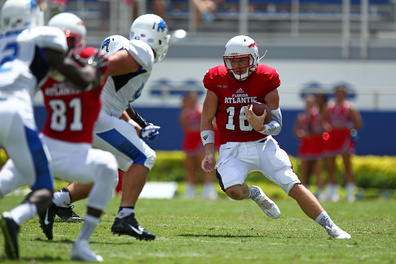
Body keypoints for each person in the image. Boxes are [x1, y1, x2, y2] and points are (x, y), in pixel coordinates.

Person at [200, 35, 351, 239]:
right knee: (234, 192)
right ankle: (254, 193)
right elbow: (206, 118)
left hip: (262, 145)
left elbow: (277, 125)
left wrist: (260, 126)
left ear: (253, 58)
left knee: (293, 185)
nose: (236, 66)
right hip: (232, 148)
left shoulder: (266, 78)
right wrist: (209, 152)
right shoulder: (216, 78)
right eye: (232, 61)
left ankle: (331, 227)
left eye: (241, 60)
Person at [46, 14, 170, 241]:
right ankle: (125, 217)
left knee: (110, 171)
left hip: (98, 116)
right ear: (160, 37)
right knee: (144, 157)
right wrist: (87, 69)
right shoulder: (141, 49)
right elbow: (101, 70)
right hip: (98, 118)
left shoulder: (133, 55)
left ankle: (55, 202)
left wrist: (137, 125)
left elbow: (114, 99)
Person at [0, 0, 102, 260]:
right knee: (44, 188)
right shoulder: (43, 36)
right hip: (12, 111)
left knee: (8, 176)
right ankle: (14, 218)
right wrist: (95, 68)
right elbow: (81, 80)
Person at [36, 12, 119, 262]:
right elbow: (85, 79)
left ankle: (18, 217)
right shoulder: (86, 59)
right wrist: (93, 65)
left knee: (12, 181)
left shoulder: (34, 58)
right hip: (71, 145)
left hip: (44, 141)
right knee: (110, 168)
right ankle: (117, 221)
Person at [323, 84, 363, 202]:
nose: (339, 95)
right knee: (330, 166)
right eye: (338, 93)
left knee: (347, 165)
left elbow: (358, 122)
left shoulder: (349, 107)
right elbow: (322, 121)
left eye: (342, 93)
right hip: (332, 136)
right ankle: (332, 192)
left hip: (344, 137)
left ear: (345, 95)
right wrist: (328, 127)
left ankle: (350, 193)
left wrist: (349, 129)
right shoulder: (329, 106)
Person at [179, 91, 218, 199]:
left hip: (201, 142)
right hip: (190, 142)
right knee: (190, 167)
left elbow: (213, 125)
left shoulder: (202, 111)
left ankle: (209, 190)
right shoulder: (184, 114)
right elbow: (185, 128)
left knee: (206, 166)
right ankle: (190, 190)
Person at [293, 94, 325, 201]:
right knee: (304, 168)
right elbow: (296, 131)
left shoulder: (319, 116)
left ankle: (320, 192)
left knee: (317, 169)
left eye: (311, 103)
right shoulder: (302, 116)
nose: (309, 105)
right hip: (306, 144)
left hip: (316, 144)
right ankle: (304, 191)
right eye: (307, 103)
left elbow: (324, 129)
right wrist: (302, 134)